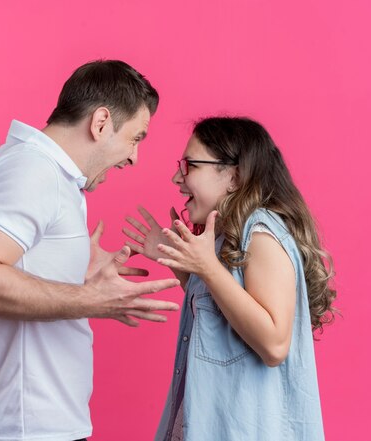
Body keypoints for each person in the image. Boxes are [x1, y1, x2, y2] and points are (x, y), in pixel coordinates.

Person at [0, 60, 181, 441]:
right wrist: (91, 299)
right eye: (136, 137)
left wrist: (79, 278)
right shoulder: (31, 171)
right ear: (101, 122)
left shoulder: (56, 177)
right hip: (25, 431)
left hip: (39, 426)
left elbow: (10, 272)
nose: (135, 156)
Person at [123, 116, 337, 440]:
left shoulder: (261, 232)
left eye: (190, 165)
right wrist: (183, 263)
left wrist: (206, 267)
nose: (176, 177)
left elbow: (274, 344)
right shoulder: (227, 237)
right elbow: (224, 317)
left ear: (234, 177)